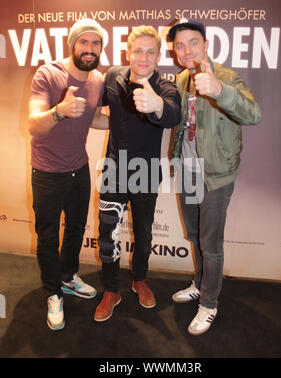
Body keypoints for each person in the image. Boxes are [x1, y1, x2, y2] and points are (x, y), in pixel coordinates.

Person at [168, 19, 262, 335]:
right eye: (180, 46)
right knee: (194, 236)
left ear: (206, 44)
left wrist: (220, 91)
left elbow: (253, 114)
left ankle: (209, 302)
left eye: (192, 42)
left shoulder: (226, 77)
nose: (186, 50)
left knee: (211, 244)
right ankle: (199, 283)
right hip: (188, 171)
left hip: (216, 176)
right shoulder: (182, 79)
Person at [94, 25, 181, 322]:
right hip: (114, 170)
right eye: (138, 51)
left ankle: (140, 280)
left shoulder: (165, 87)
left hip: (145, 174)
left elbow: (172, 113)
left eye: (150, 52)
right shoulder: (112, 77)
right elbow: (96, 107)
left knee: (143, 235)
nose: (143, 57)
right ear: (128, 52)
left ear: (159, 56)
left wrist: (155, 104)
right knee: (108, 235)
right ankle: (111, 290)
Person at [28, 18, 108, 331]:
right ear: (72, 45)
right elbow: (34, 124)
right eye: (84, 43)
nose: (89, 49)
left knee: (75, 229)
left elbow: (96, 118)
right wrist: (59, 110)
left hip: (79, 168)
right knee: (48, 238)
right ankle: (53, 293)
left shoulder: (98, 79)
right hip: (47, 172)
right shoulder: (48, 74)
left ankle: (68, 277)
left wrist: (131, 121)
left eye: (95, 44)